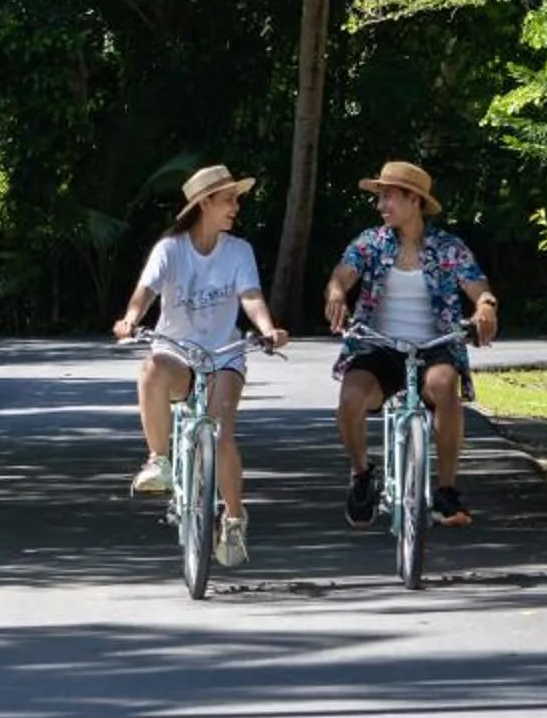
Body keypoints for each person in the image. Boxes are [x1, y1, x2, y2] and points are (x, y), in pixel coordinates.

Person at [112, 163, 288, 568]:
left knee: (221, 432)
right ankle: (159, 460)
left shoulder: (238, 251)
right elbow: (145, 292)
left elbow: (251, 297)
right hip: (176, 352)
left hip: (224, 354)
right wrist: (130, 320)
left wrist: (267, 327)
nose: (235, 208)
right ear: (204, 204)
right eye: (228, 200)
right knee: (150, 371)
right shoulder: (170, 249)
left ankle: (233, 518)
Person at [322, 159, 498, 528]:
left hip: (435, 344)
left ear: (414, 200)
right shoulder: (370, 243)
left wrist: (486, 306)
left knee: (444, 386)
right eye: (380, 197)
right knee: (351, 397)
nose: (380, 205)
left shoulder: (448, 248)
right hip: (379, 345)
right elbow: (342, 275)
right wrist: (337, 294)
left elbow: (477, 286)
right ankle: (360, 474)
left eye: (388, 197)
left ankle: (447, 490)